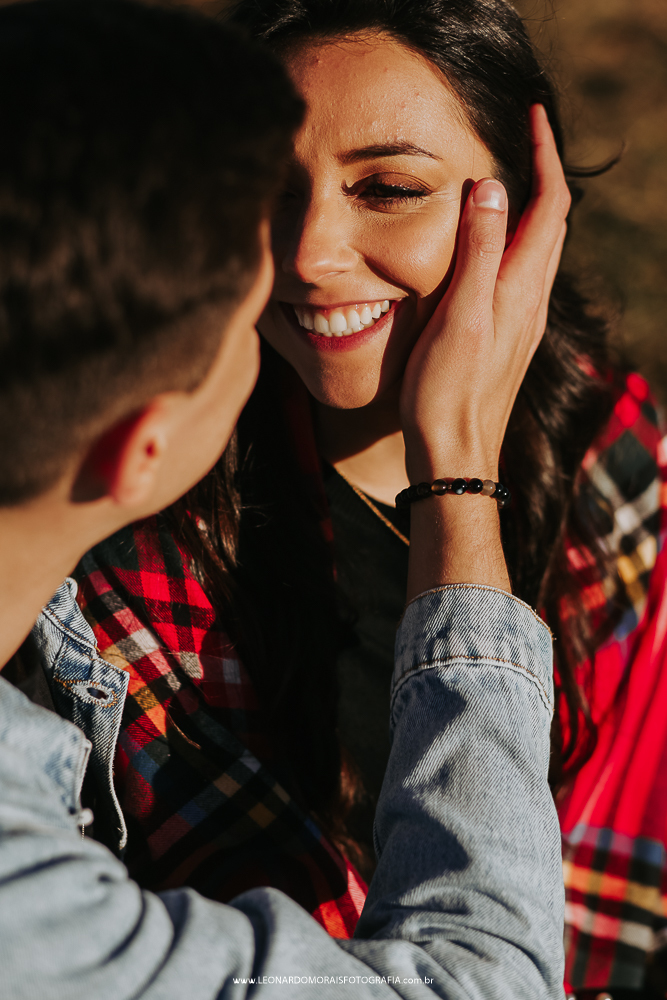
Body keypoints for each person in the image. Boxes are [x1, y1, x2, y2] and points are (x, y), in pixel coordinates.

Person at [76, 1, 667, 996]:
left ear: (519, 206)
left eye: (387, 188)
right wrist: (458, 480)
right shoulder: (133, 528)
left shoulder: (613, 446)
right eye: (267, 183)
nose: (308, 252)